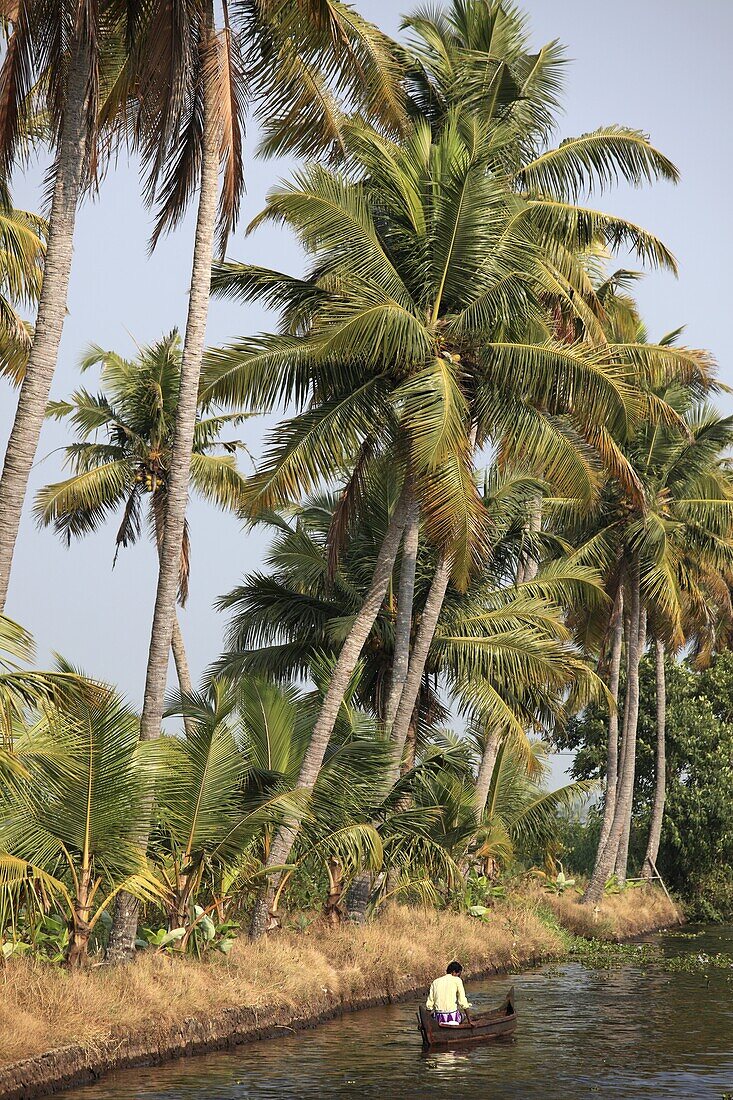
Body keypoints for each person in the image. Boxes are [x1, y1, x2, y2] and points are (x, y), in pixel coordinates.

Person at [426, 960, 472, 1026]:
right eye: (458, 974)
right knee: (463, 1016)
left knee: (433, 1014)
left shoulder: (435, 982)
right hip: (452, 1018)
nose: (458, 976)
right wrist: (470, 1021)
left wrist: (425, 1022)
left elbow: (429, 1005)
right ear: (453, 972)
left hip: (438, 1018)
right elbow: (463, 1001)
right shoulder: (457, 980)